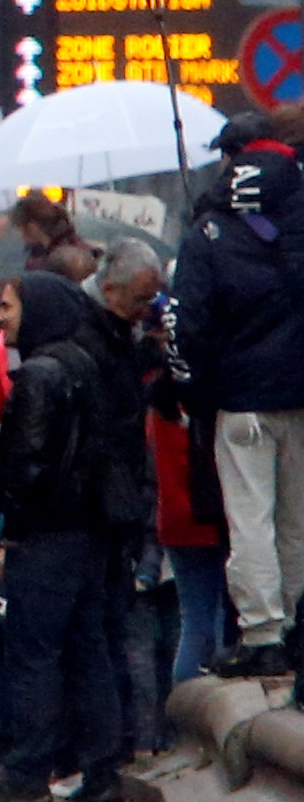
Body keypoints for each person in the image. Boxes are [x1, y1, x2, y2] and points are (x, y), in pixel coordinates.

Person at [0, 272, 149, 802]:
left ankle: (26, 775)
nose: (0, 318)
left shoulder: (41, 375)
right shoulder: (86, 363)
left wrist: (8, 532)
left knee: (34, 655)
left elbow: (26, 470)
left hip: (47, 536)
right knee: (89, 649)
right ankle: (100, 769)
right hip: (92, 532)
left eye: (8, 307)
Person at [168, 115, 304, 680]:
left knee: (251, 519)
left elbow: (186, 328)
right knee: (298, 523)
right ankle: (300, 625)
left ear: (231, 157)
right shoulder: (299, 214)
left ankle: (264, 633)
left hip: (241, 402)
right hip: (300, 396)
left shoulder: (209, 231)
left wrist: (195, 396)